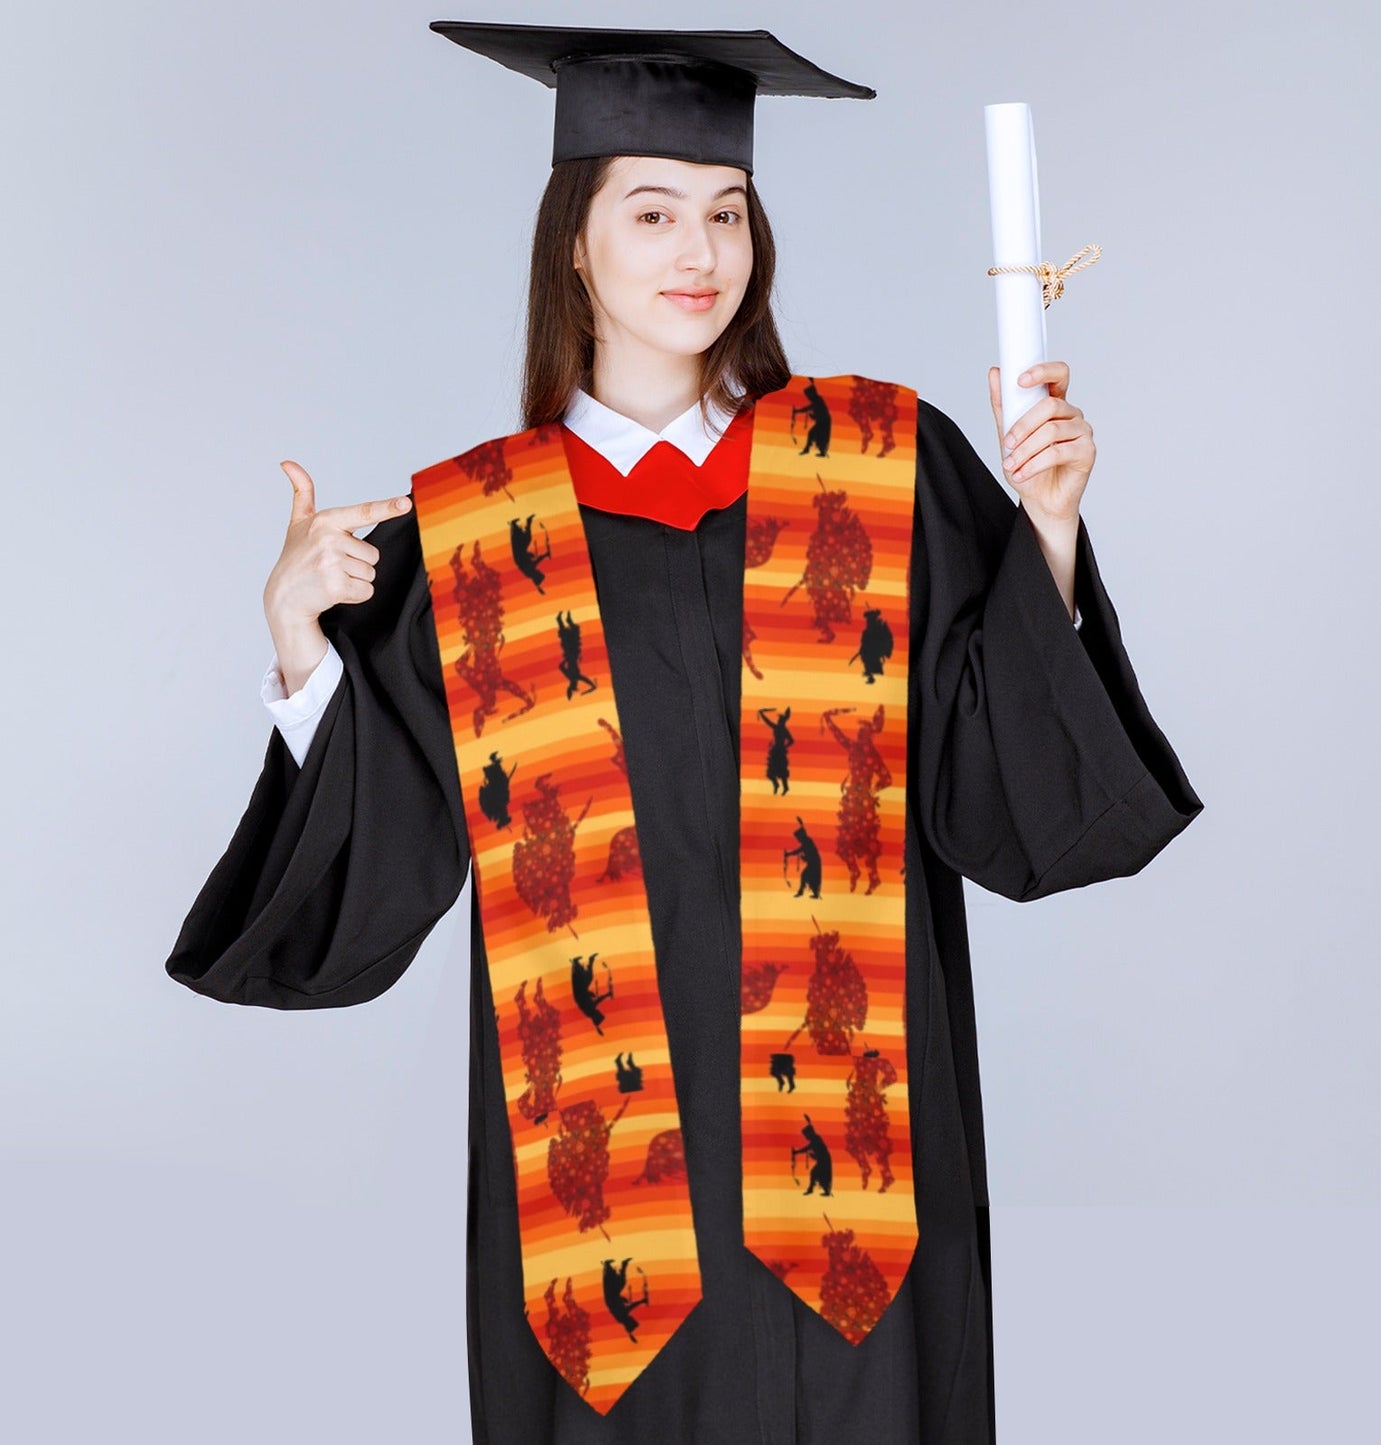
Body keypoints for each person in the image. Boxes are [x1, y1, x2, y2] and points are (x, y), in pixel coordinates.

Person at [165, 21, 1203, 1444]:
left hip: (858, 1200)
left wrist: (1050, 533)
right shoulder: (476, 533)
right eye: (651, 214)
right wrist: (301, 645)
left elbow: (1004, 791)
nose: (699, 251)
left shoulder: (875, 463)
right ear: (573, 247)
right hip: (601, 1236)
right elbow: (375, 864)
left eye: (727, 212)